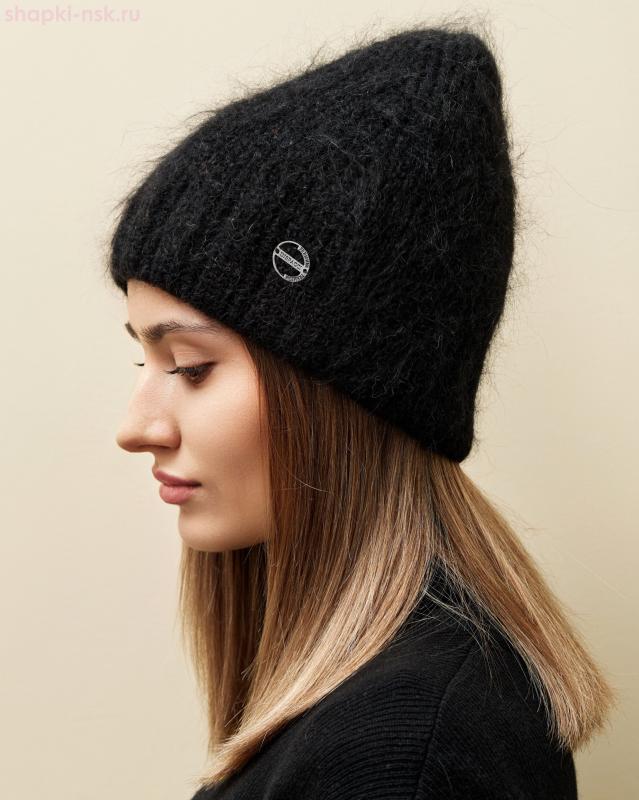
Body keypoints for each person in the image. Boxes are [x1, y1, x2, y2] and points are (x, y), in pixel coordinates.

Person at [105, 20, 617, 799]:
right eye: (145, 361)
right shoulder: (382, 719)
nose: (136, 427)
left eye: (191, 367)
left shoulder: (402, 756)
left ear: (342, 395)